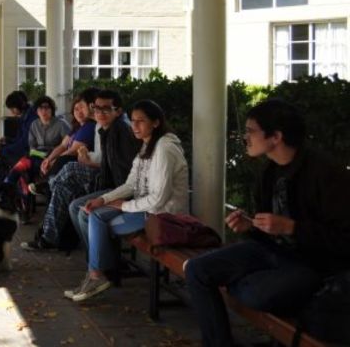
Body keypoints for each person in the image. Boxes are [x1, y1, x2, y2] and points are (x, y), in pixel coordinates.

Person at [184, 99, 350, 347]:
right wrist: (251, 225)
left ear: (276, 137)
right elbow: (267, 227)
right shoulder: (269, 172)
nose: (245, 138)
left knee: (254, 294)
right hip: (272, 251)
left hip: (314, 264)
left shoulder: (326, 174)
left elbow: (344, 239)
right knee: (196, 270)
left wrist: (292, 227)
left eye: (250, 131)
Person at [65, 100, 188, 302]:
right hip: (144, 208)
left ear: (156, 123)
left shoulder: (165, 149)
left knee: (98, 220)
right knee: (92, 213)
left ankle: (98, 274)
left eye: (141, 121)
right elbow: (131, 184)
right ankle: (98, 272)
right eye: (133, 121)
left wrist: (124, 205)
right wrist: (103, 199)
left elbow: (159, 200)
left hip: (162, 216)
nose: (135, 126)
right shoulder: (148, 145)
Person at [23, 89, 139, 251]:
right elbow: (67, 147)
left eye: (104, 109)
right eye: (97, 108)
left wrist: (85, 157)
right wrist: (52, 158)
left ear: (118, 111)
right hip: (105, 177)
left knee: (69, 168)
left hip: (111, 184)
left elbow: (112, 167)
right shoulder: (101, 127)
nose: (98, 112)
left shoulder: (117, 129)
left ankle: (48, 185)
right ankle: (49, 237)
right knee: (62, 188)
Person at [23, 93, 97, 250]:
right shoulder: (77, 128)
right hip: (66, 170)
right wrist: (49, 159)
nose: (78, 111)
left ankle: (47, 185)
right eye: (75, 109)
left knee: (62, 168)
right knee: (54, 182)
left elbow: (72, 151)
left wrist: (54, 161)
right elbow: (63, 146)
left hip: (81, 172)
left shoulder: (89, 127)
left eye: (82, 108)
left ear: (91, 108)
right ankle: (49, 236)